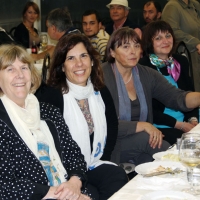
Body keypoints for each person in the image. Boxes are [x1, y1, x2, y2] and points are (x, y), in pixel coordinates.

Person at [36, 33, 128, 200]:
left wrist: (103, 159)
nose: (79, 63)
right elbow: (49, 145)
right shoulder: (52, 96)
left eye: (83, 56)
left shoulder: (100, 90)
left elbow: (112, 126)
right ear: (62, 66)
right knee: (93, 192)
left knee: (117, 176)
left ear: (92, 61)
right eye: (71, 58)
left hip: (93, 163)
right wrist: (76, 174)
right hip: (66, 170)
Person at [0, 44, 92, 200]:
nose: (20, 75)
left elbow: (73, 154)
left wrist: (74, 184)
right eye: (10, 69)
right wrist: (56, 193)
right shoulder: (2, 122)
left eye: (24, 68)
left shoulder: (49, 112)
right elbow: (4, 185)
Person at [102, 27, 200, 166]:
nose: (133, 51)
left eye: (136, 46)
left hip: (139, 142)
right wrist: (143, 125)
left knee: (153, 166)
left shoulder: (146, 74)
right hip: (110, 141)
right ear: (112, 52)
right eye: (125, 47)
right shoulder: (100, 77)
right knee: (158, 146)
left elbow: (178, 98)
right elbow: (103, 124)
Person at [139, 20, 198, 145]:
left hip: (186, 120)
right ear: (150, 42)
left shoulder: (181, 61)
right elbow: (147, 110)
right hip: (161, 124)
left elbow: (190, 93)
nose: (165, 41)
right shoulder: (143, 66)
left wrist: (193, 120)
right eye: (158, 38)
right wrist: (180, 125)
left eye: (168, 36)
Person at [162, 0, 200, 91]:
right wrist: (195, 42)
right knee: (193, 90)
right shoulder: (172, 6)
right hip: (186, 56)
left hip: (197, 56)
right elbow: (171, 31)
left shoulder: (195, 5)